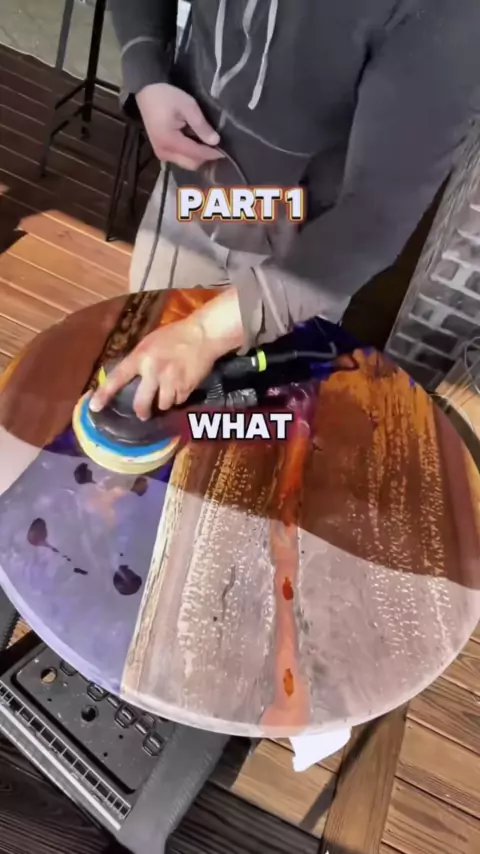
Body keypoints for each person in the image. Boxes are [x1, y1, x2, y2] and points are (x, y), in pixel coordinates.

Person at [90, 0, 480, 420]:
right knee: (142, 384)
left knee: (245, 429)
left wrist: (206, 331)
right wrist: (145, 67)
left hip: (305, 247)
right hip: (193, 193)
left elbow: (376, 216)